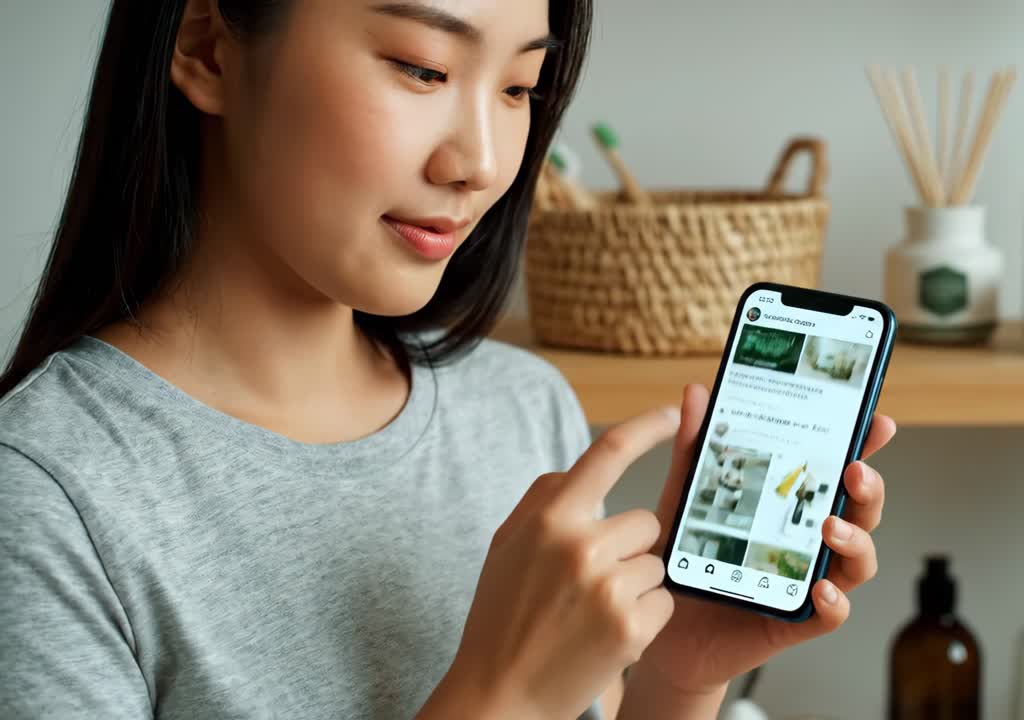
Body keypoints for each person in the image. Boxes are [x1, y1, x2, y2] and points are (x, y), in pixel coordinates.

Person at [0, 1, 895, 718]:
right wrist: (505, 700)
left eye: (518, 87)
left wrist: (679, 678)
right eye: (423, 68)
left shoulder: (518, 408)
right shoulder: (44, 495)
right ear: (207, 48)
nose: (482, 161)